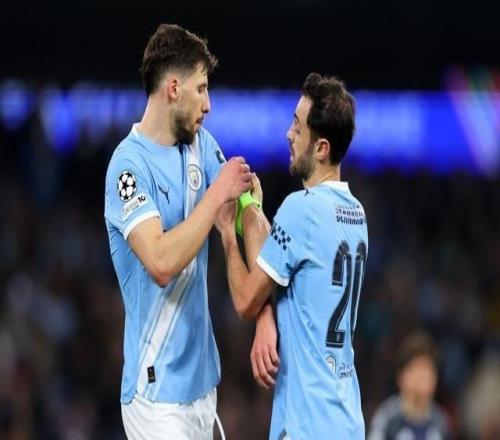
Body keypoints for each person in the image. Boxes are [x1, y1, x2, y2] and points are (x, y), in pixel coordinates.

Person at [104, 24, 252, 439]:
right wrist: (217, 195)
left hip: (202, 386)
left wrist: (266, 317)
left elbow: (242, 209)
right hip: (156, 395)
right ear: (173, 88)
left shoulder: (200, 145)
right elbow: (160, 262)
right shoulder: (128, 168)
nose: (208, 104)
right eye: (201, 89)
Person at [217, 73, 368, 439]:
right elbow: (284, 260)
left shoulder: (301, 209)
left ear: (321, 148)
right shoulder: (356, 213)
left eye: (298, 127)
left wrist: (227, 233)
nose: (289, 134)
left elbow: (246, 299)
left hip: (307, 422)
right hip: (346, 419)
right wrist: (254, 212)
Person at [368, 331, 451, 440]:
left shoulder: (440, 422)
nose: (423, 376)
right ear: (401, 377)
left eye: (428, 369)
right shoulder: (387, 418)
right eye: (417, 368)